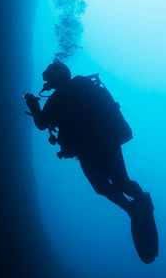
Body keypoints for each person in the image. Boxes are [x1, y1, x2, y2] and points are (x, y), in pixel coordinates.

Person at [24, 61, 153, 216]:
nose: (48, 83)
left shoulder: (57, 98)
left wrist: (34, 106)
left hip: (85, 149)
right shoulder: (84, 85)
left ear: (56, 77)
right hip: (106, 141)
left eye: (49, 79)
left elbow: (42, 124)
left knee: (102, 187)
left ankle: (130, 208)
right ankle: (142, 201)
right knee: (121, 182)